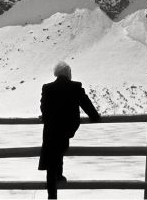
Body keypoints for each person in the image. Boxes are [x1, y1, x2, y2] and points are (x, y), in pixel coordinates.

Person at [38, 61, 101, 199]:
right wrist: (95, 117)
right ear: (68, 73)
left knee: (51, 159)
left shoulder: (47, 88)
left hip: (51, 130)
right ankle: (58, 176)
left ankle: (52, 195)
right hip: (66, 129)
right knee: (58, 150)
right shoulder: (75, 87)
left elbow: (44, 108)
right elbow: (87, 105)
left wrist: (45, 117)